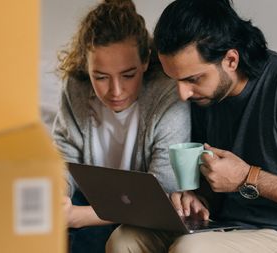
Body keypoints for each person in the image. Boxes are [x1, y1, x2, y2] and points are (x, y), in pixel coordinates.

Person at [105, 0, 277, 252]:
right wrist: (198, 198)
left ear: (231, 60)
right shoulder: (206, 97)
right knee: (125, 239)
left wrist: (247, 177)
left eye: (193, 79)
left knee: (192, 250)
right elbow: (220, 180)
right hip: (229, 224)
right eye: (175, 80)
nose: (183, 93)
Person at [51, 0, 190, 252]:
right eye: (100, 77)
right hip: (87, 198)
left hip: (145, 212)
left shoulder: (167, 95)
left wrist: (77, 217)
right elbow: (63, 158)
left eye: (128, 75)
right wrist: (59, 194)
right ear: (86, 66)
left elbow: (163, 194)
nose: (116, 91)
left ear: (146, 60)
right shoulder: (75, 87)